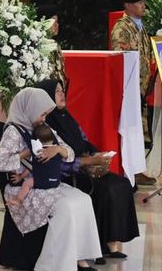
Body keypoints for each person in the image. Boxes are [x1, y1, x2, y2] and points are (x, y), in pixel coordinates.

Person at [0, 88, 103, 271]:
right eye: (42, 113)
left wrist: (58, 150)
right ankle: (53, 265)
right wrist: (24, 154)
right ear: (30, 109)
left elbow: (70, 153)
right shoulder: (14, 132)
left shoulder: (43, 128)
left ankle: (79, 257)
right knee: (66, 207)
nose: (44, 118)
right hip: (25, 187)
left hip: (45, 183)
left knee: (83, 200)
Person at [35, 80, 140, 258]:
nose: (62, 94)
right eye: (57, 92)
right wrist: (88, 161)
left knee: (122, 184)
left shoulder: (66, 117)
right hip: (69, 176)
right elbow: (57, 162)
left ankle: (112, 242)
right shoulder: (46, 125)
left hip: (85, 166)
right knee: (105, 190)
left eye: (62, 90)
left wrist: (98, 153)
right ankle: (97, 247)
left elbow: (83, 140)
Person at [111, 0, 157, 186]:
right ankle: (130, 171)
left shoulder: (141, 26)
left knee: (141, 132)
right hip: (130, 89)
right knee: (131, 131)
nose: (143, 5)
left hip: (143, 88)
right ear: (128, 6)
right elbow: (121, 59)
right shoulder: (122, 28)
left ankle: (139, 169)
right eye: (139, 3)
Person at [5, 124, 63, 208]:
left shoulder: (38, 152)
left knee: (27, 183)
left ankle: (18, 200)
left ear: (36, 141)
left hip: (42, 181)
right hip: (56, 181)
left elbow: (30, 168)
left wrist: (21, 177)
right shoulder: (56, 150)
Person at [35, 4, 66, 89]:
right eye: (53, 22)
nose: (57, 25)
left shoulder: (55, 45)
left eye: (57, 22)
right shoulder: (37, 46)